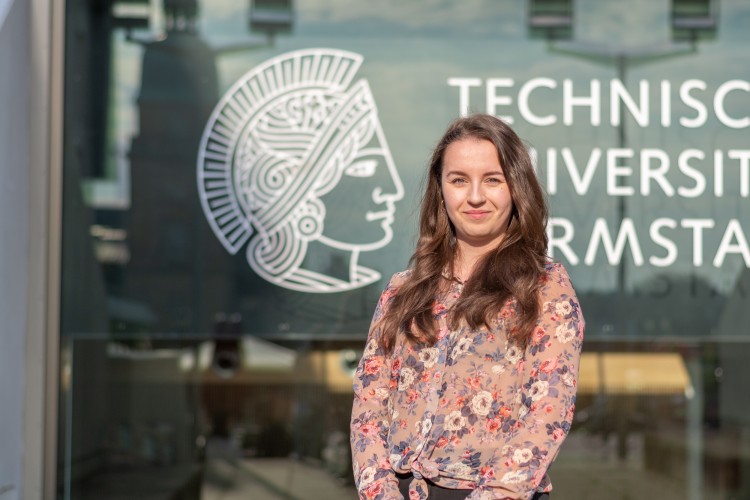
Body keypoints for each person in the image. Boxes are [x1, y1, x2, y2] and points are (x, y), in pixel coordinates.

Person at [350, 114, 584, 500]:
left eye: (492, 179)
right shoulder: (401, 291)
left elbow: (547, 413)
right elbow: (369, 402)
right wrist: (381, 493)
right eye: (459, 180)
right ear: (440, 190)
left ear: (516, 188)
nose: (475, 196)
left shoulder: (543, 288)